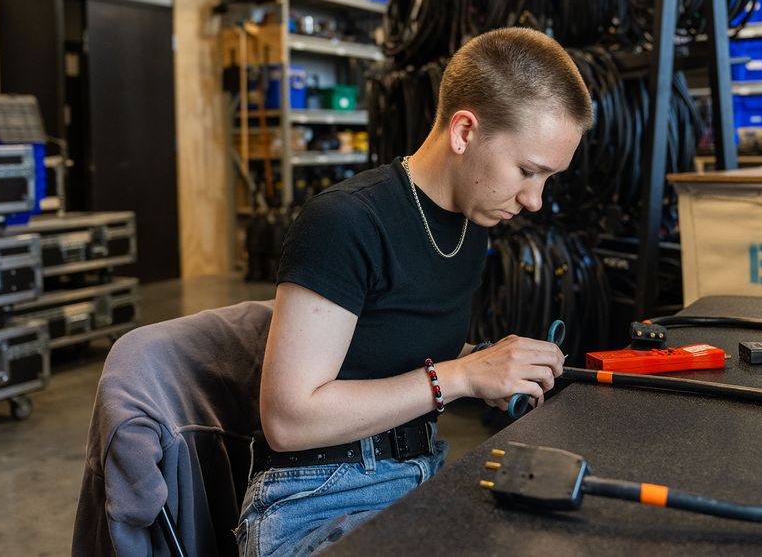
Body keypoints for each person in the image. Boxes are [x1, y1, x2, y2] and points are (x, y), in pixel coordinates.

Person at [235, 27, 594, 556]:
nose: (535, 200)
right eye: (527, 171)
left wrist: (492, 364)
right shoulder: (346, 221)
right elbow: (289, 419)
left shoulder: (471, 222)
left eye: (547, 179)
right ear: (465, 131)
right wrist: (462, 375)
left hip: (416, 475)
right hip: (315, 500)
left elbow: (397, 352)